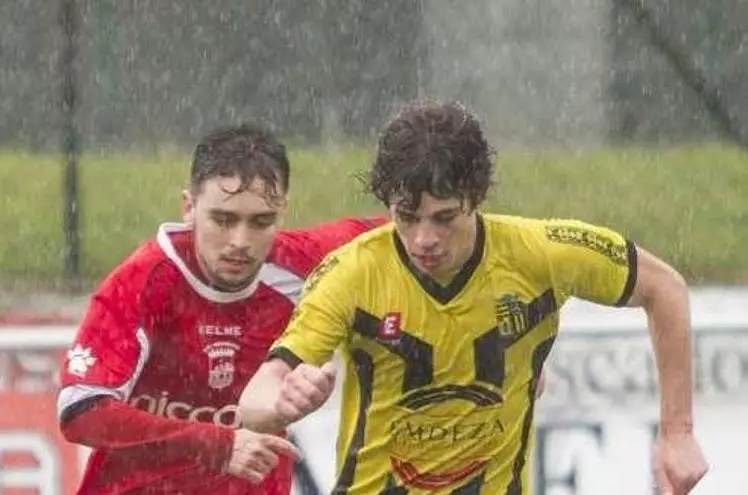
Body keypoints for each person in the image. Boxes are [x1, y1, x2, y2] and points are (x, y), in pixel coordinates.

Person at [239, 100, 709, 494]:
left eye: (444, 218)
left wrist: (678, 432)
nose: (424, 239)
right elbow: (254, 399)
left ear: (477, 196)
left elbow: (663, 288)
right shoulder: (351, 273)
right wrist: (280, 403)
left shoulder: (540, 255)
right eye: (407, 217)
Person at [56, 124, 385, 494]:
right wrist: (218, 444)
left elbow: (411, 227)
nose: (240, 241)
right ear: (189, 208)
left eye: (260, 221)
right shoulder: (143, 282)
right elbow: (81, 411)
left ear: (282, 212)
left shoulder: (308, 262)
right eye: (223, 220)